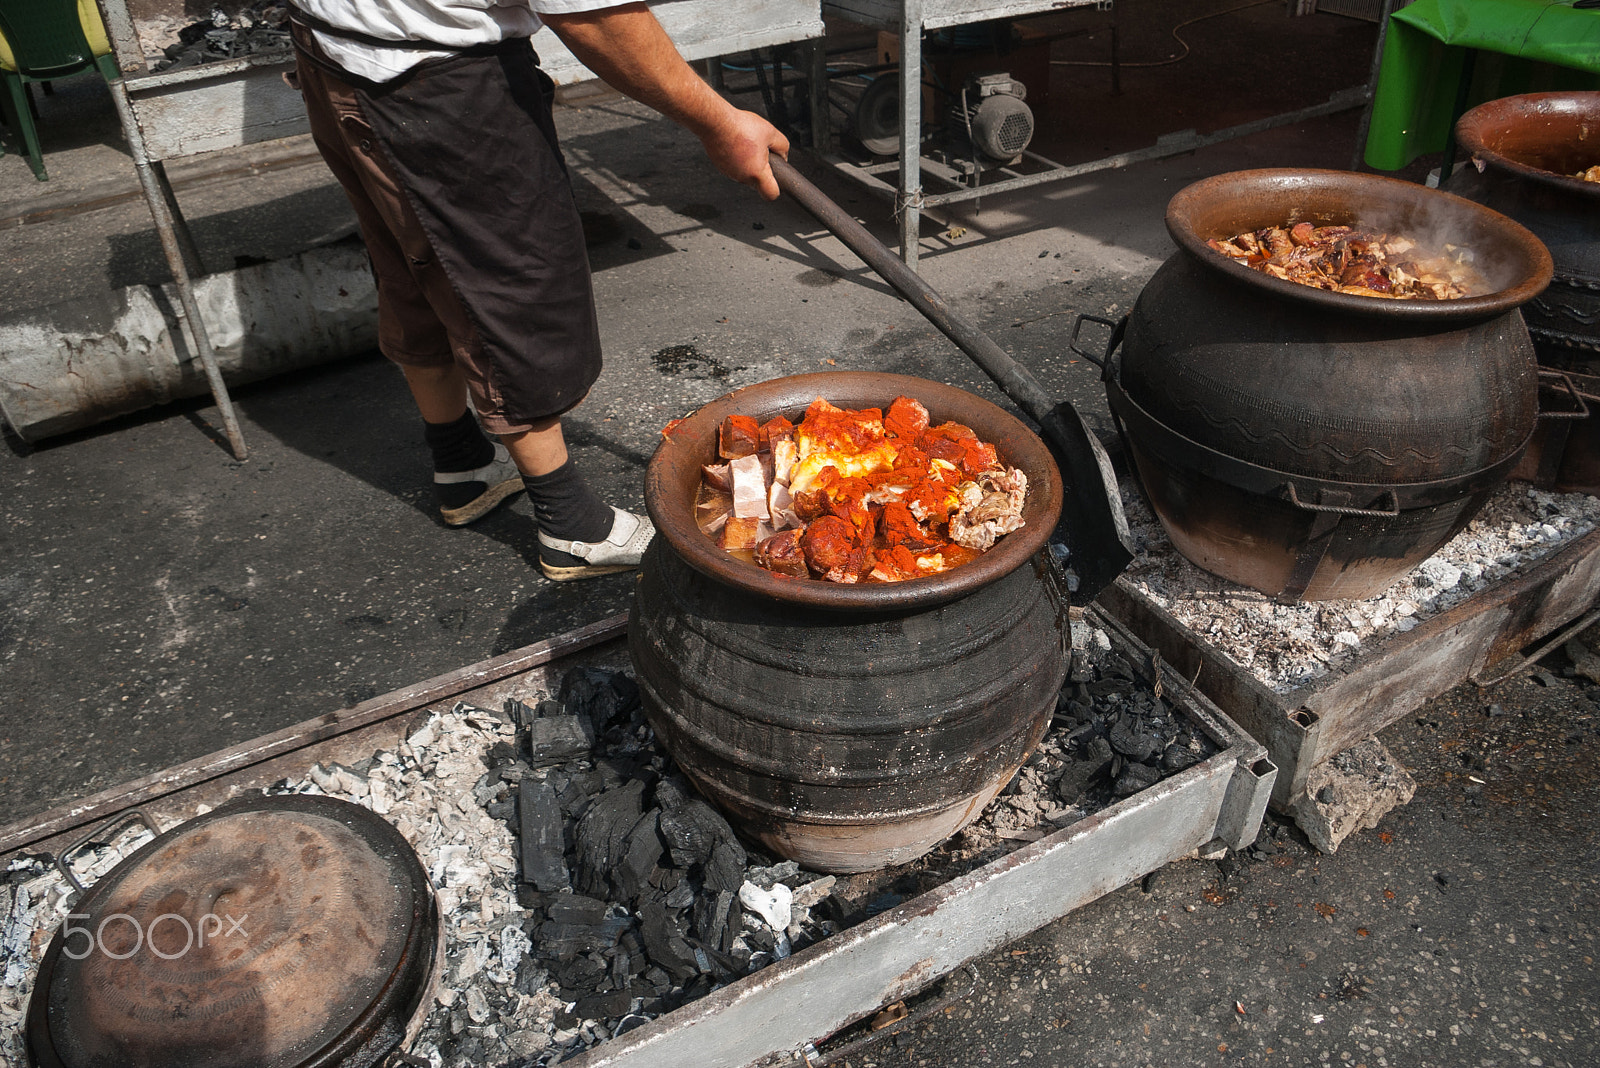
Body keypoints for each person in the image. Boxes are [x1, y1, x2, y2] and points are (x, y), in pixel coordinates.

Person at [285, 0, 789, 580]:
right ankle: (570, 528)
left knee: (417, 268)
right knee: (510, 293)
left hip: (337, 55)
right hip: (435, 85)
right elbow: (596, 15)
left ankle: (462, 467)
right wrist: (720, 123)